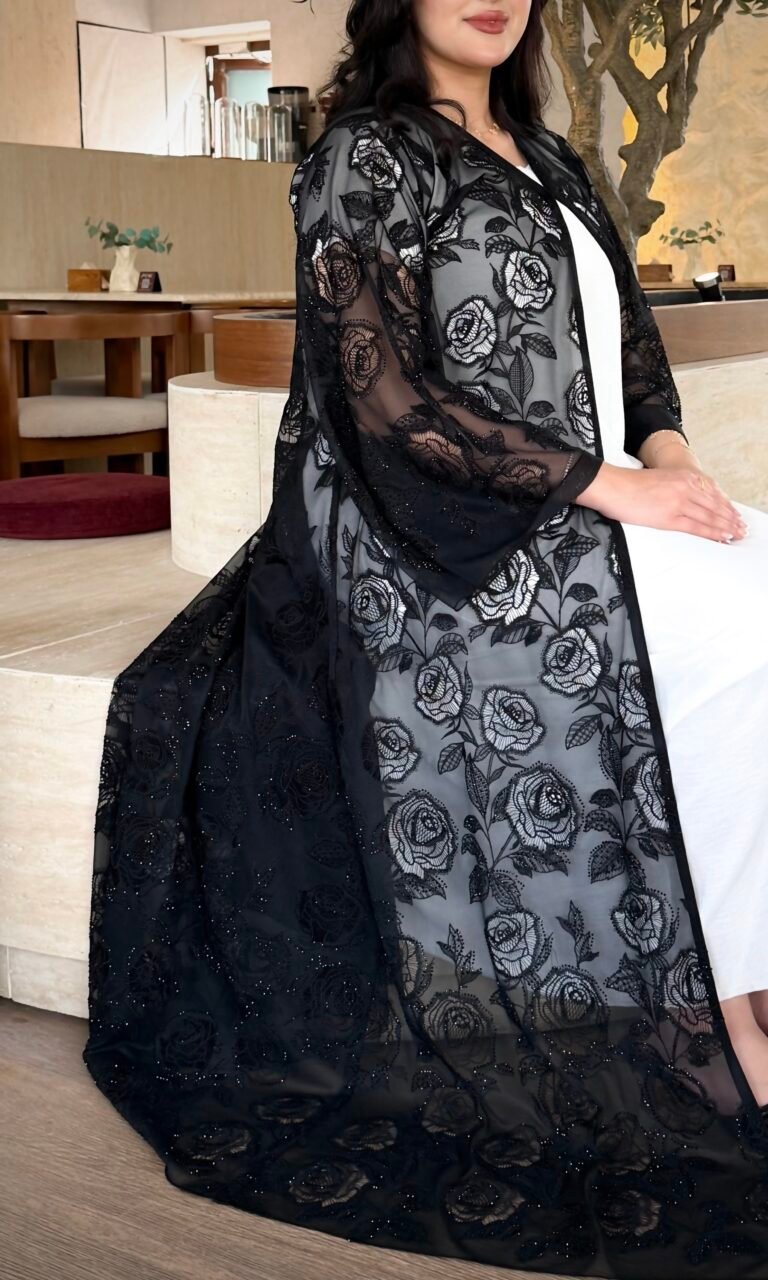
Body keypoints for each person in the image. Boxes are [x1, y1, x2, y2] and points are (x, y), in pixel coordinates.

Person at [82, 1, 768, 1275]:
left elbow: (633, 350)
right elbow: (385, 397)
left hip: (588, 502)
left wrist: (670, 459)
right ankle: (718, 1020)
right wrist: (611, 487)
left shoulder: (550, 155)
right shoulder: (368, 154)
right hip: (447, 539)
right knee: (737, 640)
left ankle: (746, 978)